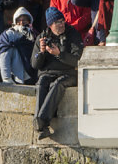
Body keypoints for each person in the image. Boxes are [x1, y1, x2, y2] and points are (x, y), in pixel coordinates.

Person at [31, 8, 84, 140]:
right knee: (42, 83)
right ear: (50, 25)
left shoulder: (73, 34)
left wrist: (60, 55)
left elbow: (78, 60)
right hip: (47, 73)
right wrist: (42, 52)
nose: (61, 25)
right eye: (57, 22)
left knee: (58, 84)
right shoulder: (42, 37)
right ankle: (42, 126)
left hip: (69, 73)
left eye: (62, 21)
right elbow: (34, 64)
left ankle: (40, 122)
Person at [0, 7, 36, 84]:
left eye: (24, 20)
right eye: (19, 20)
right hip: (16, 78)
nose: (22, 22)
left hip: (32, 77)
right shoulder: (8, 36)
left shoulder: (34, 35)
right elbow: (4, 56)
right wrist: (6, 78)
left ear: (29, 21)